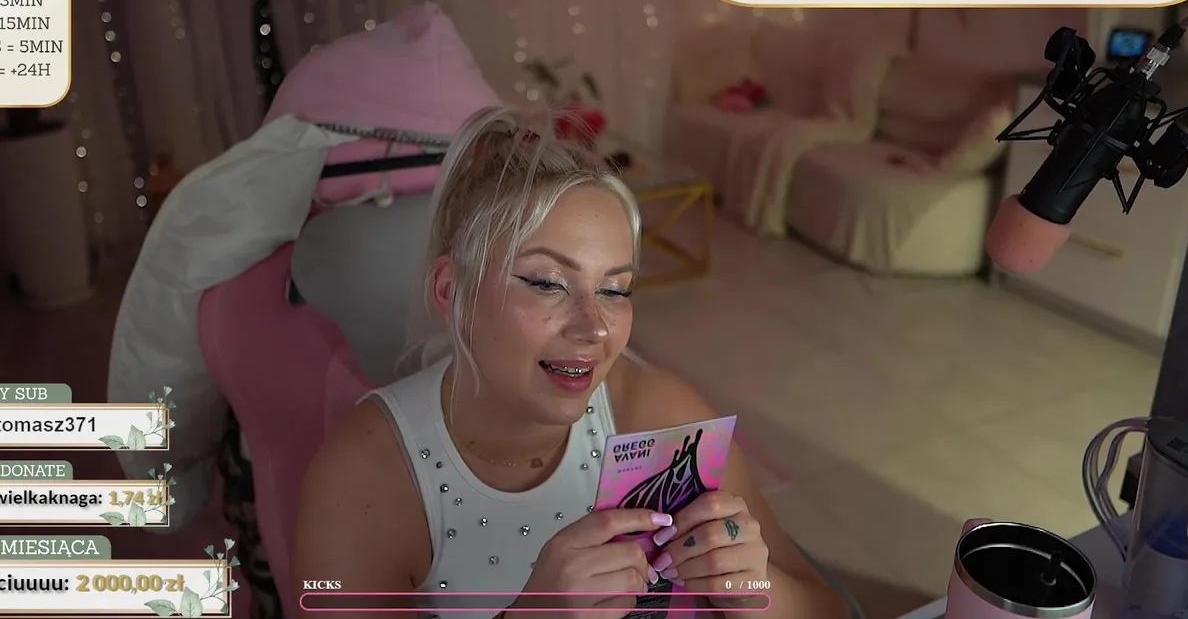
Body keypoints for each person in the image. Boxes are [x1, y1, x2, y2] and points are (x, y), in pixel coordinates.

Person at [291, 107, 849, 619]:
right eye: (547, 283)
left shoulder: (656, 416)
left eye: (614, 290)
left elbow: (831, 610)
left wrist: (759, 591)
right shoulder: (366, 481)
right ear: (450, 290)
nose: (595, 328)